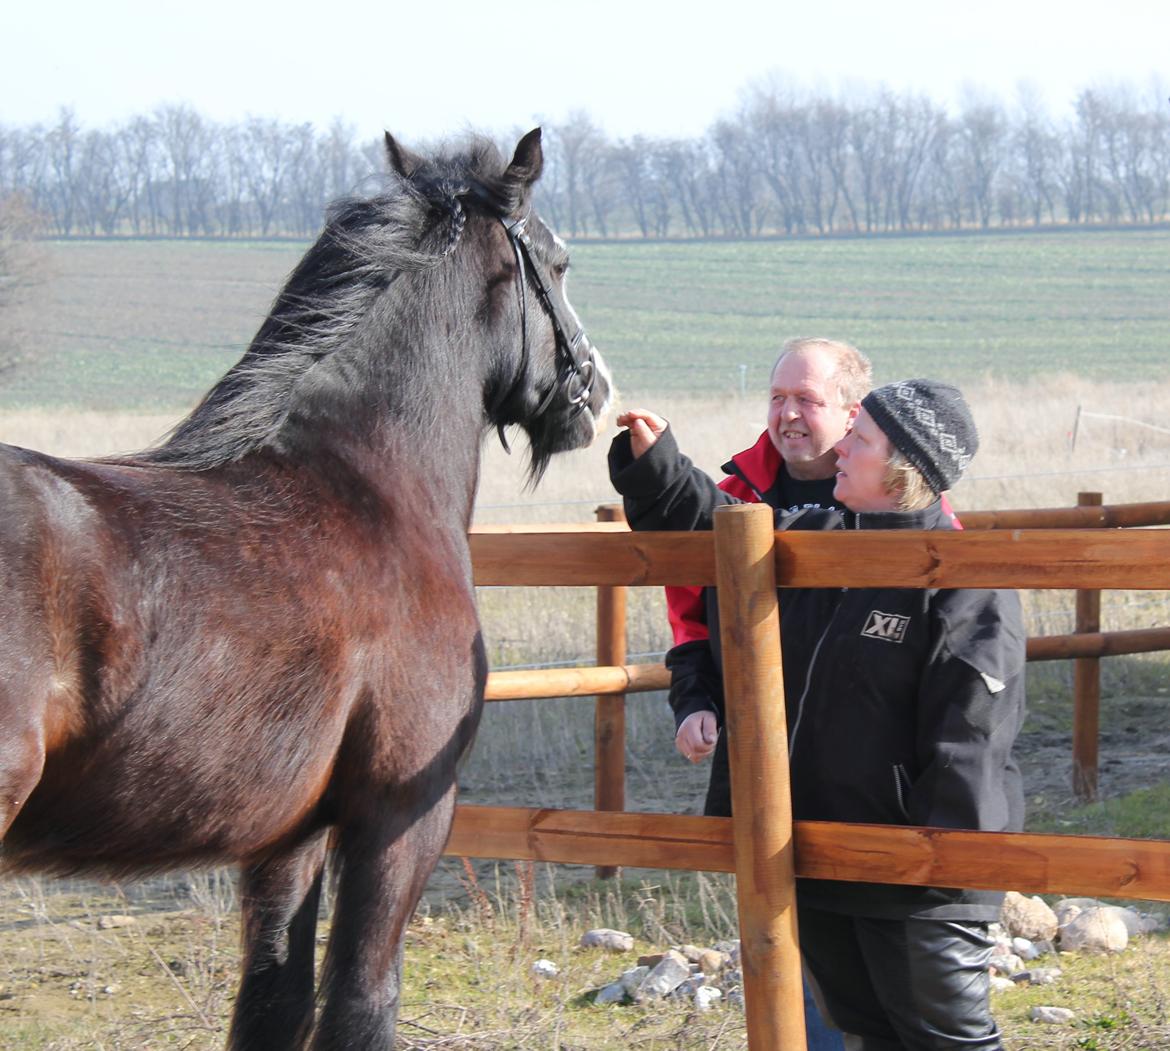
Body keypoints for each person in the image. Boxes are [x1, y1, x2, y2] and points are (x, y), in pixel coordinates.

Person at [609, 379, 1025, 1051]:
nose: (840, 451)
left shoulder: (961, 578)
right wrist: (657, 463)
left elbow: (970, 738)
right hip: (823, 859)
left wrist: (932, 868)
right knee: (868, 1033)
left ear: (901, 469)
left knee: (949, 1041)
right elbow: (714, 520)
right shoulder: (811, 544)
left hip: (916, 879)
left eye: (859, 440)